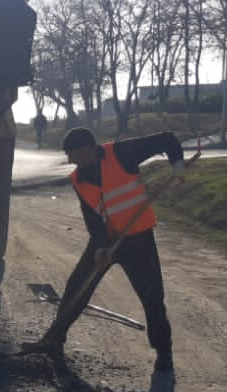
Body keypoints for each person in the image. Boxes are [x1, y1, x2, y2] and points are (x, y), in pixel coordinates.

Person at [30, 127, 184, 371]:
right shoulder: (77, 179)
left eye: (74, 155)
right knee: (77, 287)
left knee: (152, 296)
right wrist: (101, 247)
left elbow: (167, 138)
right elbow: (91, 217)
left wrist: (177, 164)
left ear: (88, 150)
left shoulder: (122, 153)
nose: (71, 161)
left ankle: (163, 352)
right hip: (107, 240)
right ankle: (55, 340)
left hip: (138, 240)